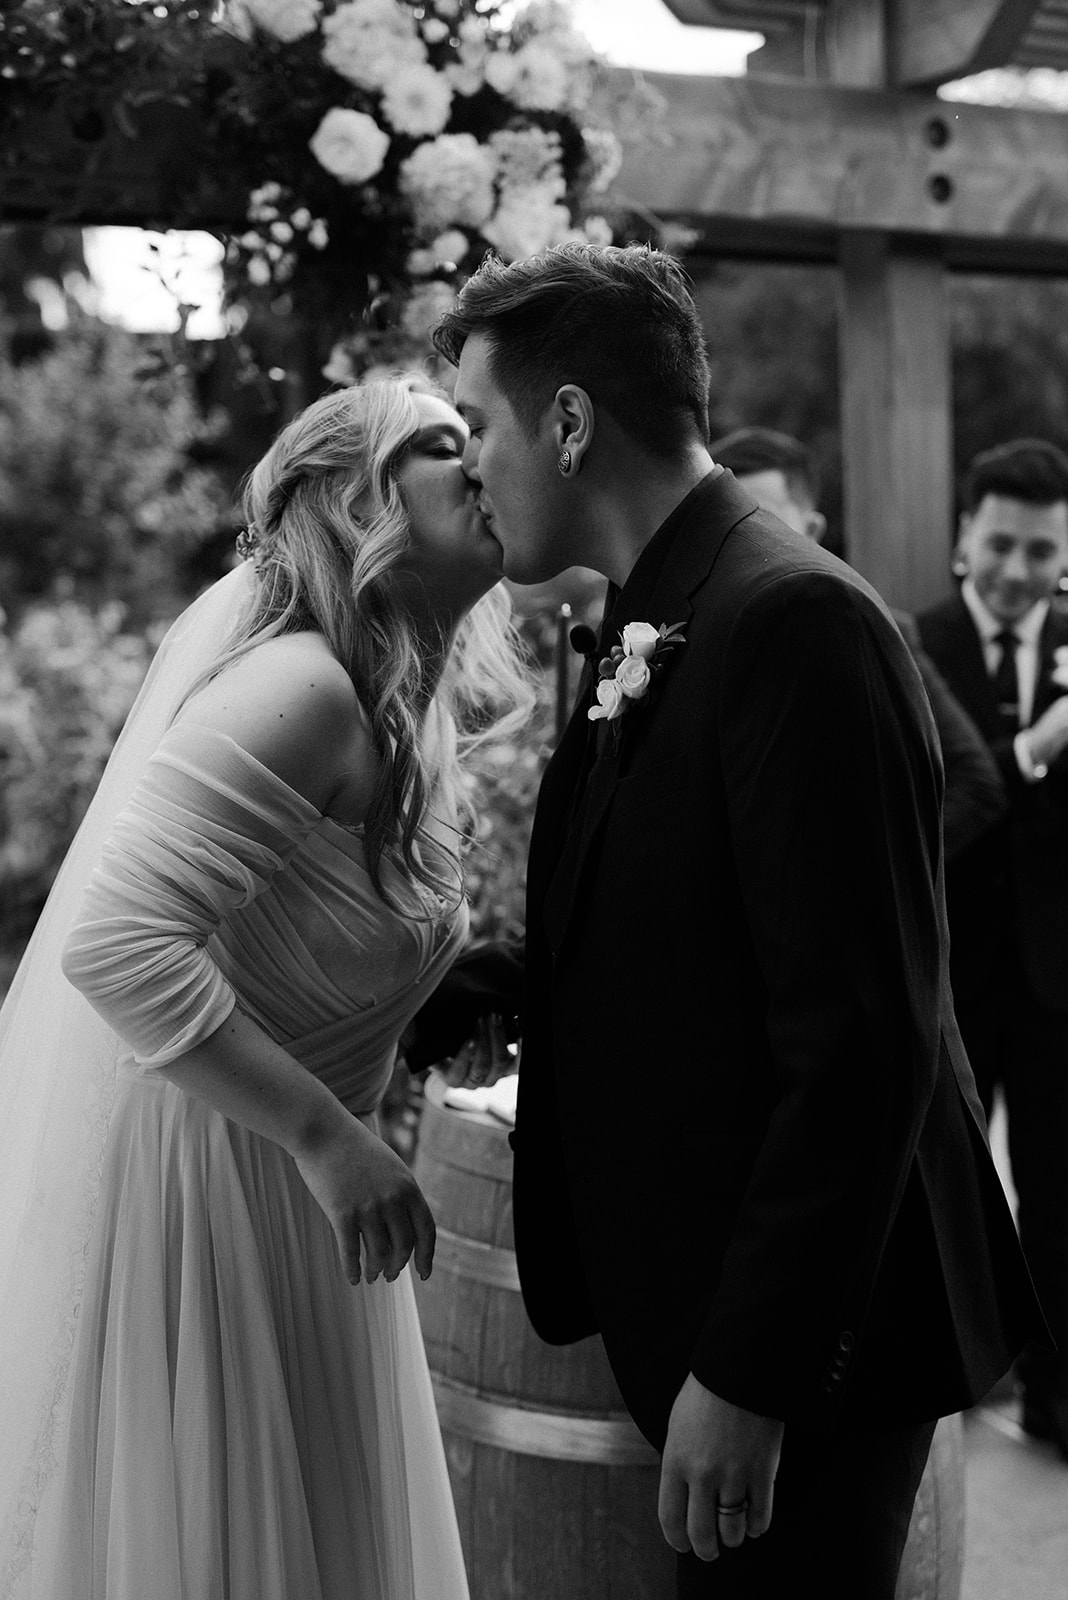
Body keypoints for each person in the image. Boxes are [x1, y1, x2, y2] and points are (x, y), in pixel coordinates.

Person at [422, 242, 1044, 1600]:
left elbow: (864, 1041)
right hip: (716, 1308)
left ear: (571, 423)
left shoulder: (794, 620)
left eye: (478, 426)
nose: (467, 464)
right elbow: (676, 940)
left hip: (816, 1345)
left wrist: (750, 1373)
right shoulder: (658, 610)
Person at [0, 374, 534, 1599]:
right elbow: (118, 942)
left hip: (307, 1192)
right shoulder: (300, 687)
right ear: (357, 501)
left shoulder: (404, 708)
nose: (480, 467)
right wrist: (323, 1135)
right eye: (442, 448)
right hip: (223, 1187)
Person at [916, 437, 1068, 1462]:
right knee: (949, 1184)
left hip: (1059, 973)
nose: (1019, 572)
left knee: (1062, 1188)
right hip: (952, 966)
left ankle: (1057, 1396)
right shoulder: (907, 640)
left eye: (1042, 552)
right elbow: (937, 803)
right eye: (1002, 544)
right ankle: (947, 1380)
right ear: (966, 539)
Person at [711, 425, 1007, 861]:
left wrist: (874, 875)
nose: (744, 541)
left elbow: (973, 783)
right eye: (725, 523)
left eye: (762, 521)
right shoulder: (690, 638)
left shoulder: (869, 631)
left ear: (811, 529)